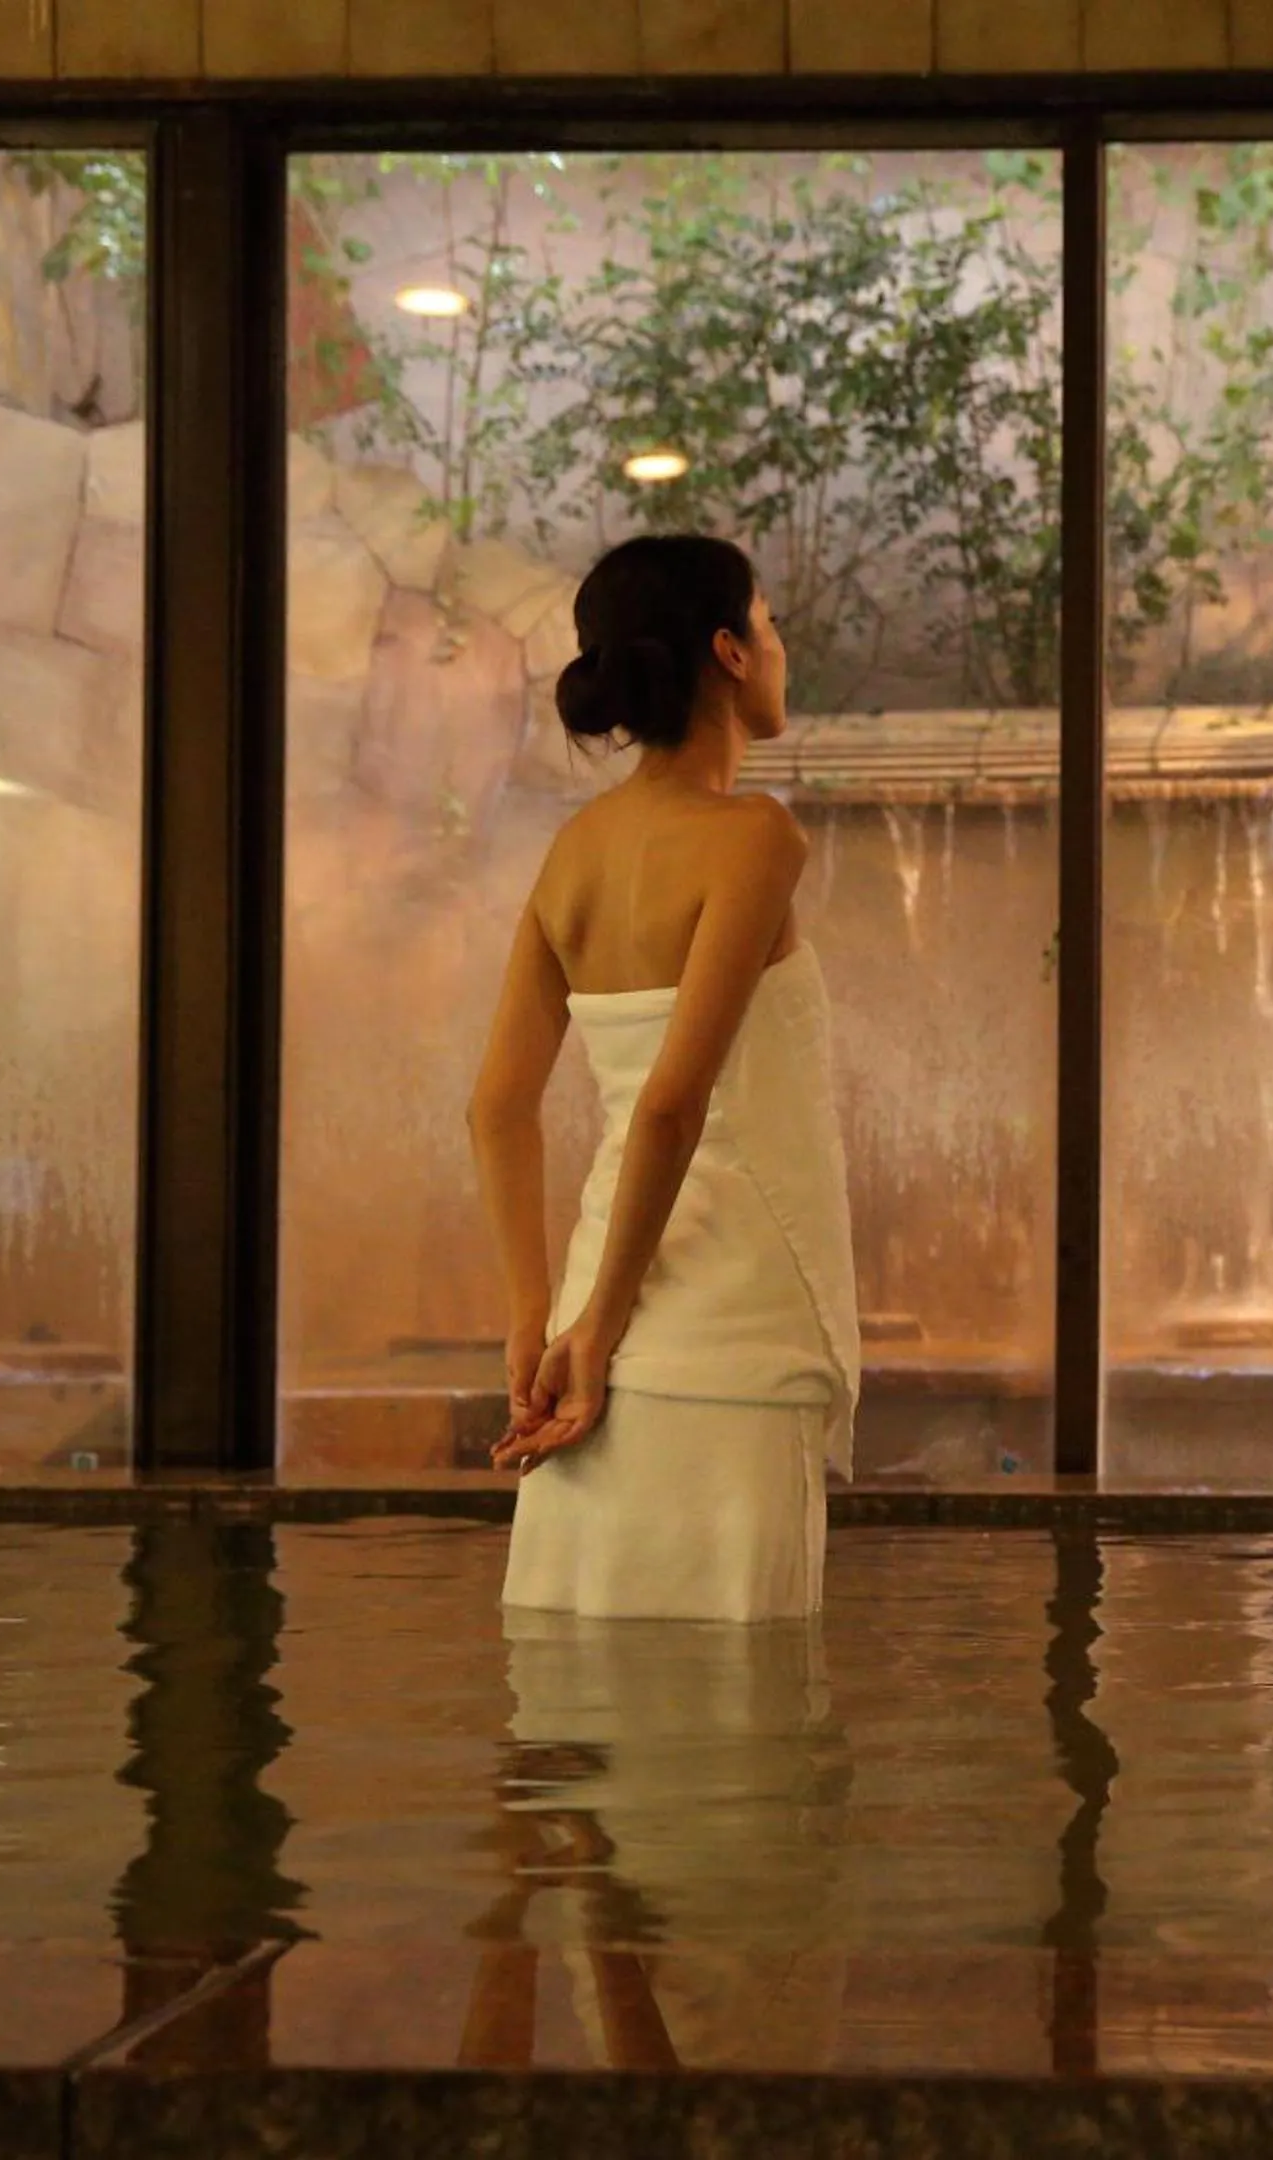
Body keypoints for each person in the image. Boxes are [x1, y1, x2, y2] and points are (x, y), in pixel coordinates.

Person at [467, 535, 859, 1622]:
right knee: (742, 1725)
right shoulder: (753, 840)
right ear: (729, 652)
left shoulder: (573, 853)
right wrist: (597, 1328)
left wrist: (542, 1323)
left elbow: (498, 1107)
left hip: (593, 1312)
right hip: (727, 1318)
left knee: (577, 1690)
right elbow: (675, 1103)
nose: (780, 649)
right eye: (770, 625)